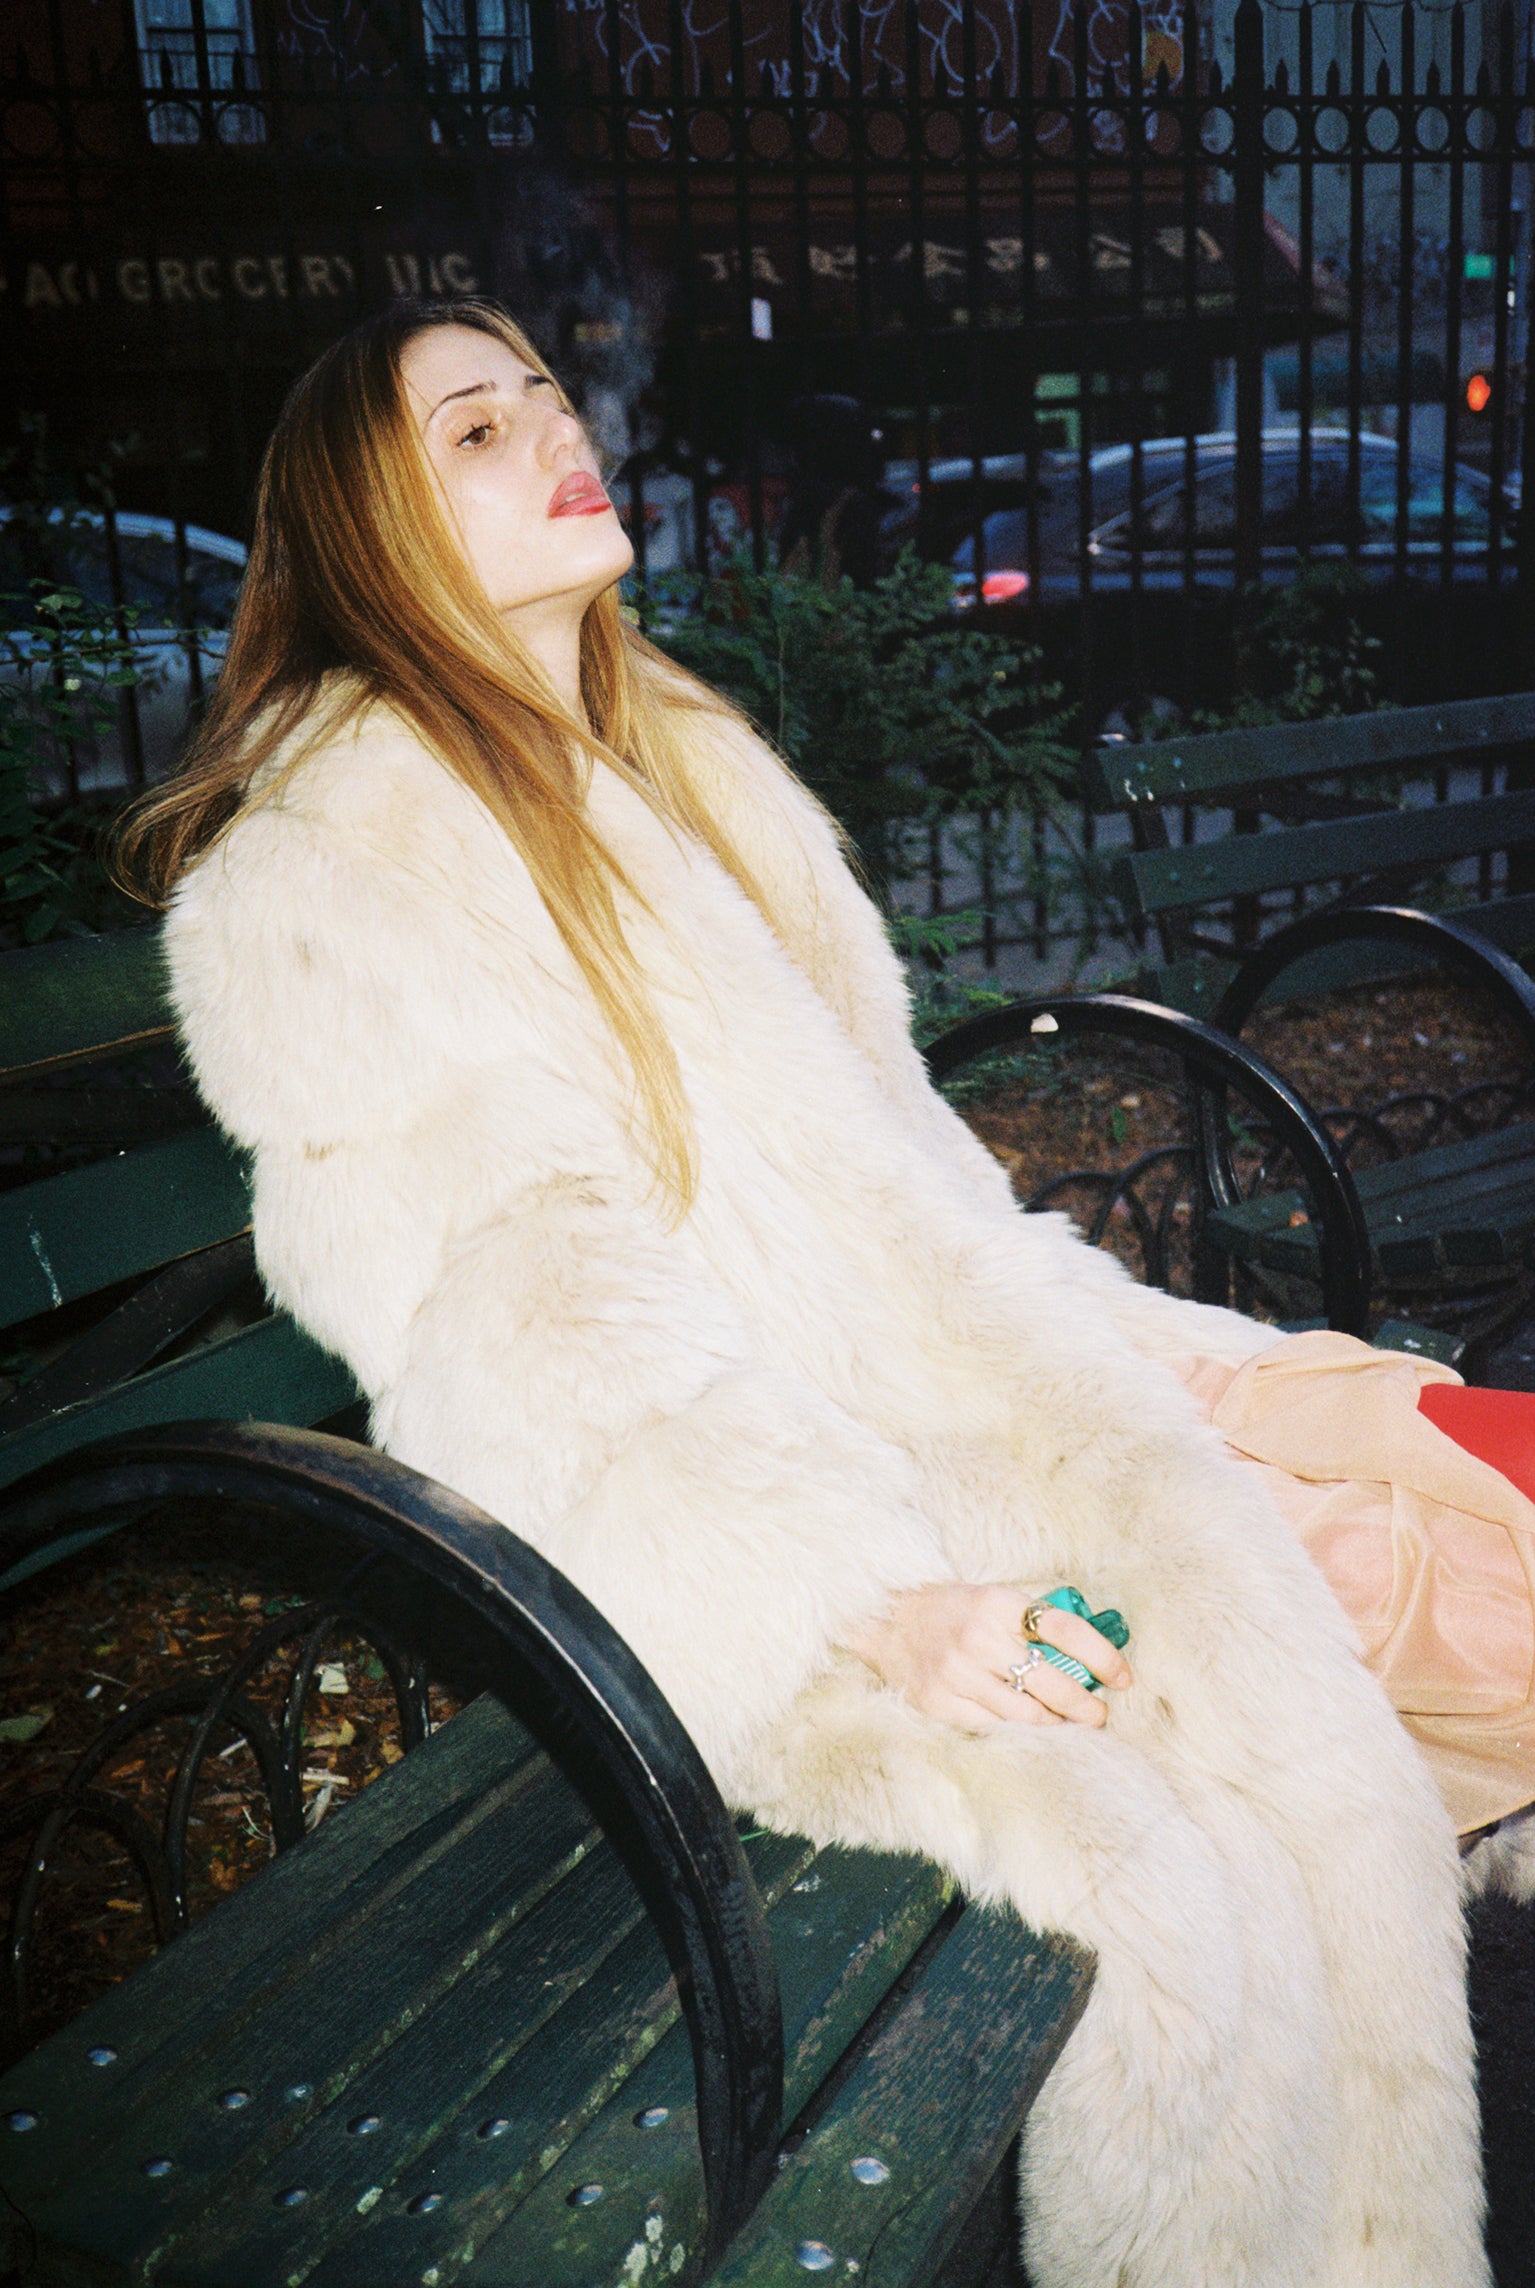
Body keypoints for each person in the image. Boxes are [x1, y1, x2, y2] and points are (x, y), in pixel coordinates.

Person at [123, 298, 1508, 2288]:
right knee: (1249, 1811)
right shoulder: (335, 873)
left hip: (971, 1424)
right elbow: (517, 1345)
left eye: (547, 395)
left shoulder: (689, 773)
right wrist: (867, 1607)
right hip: (772, 1558)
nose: (556, 432)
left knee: (1451, 1519)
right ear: (369, 530)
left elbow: (932, 1224)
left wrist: (1260, 1385)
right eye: (477, 429)